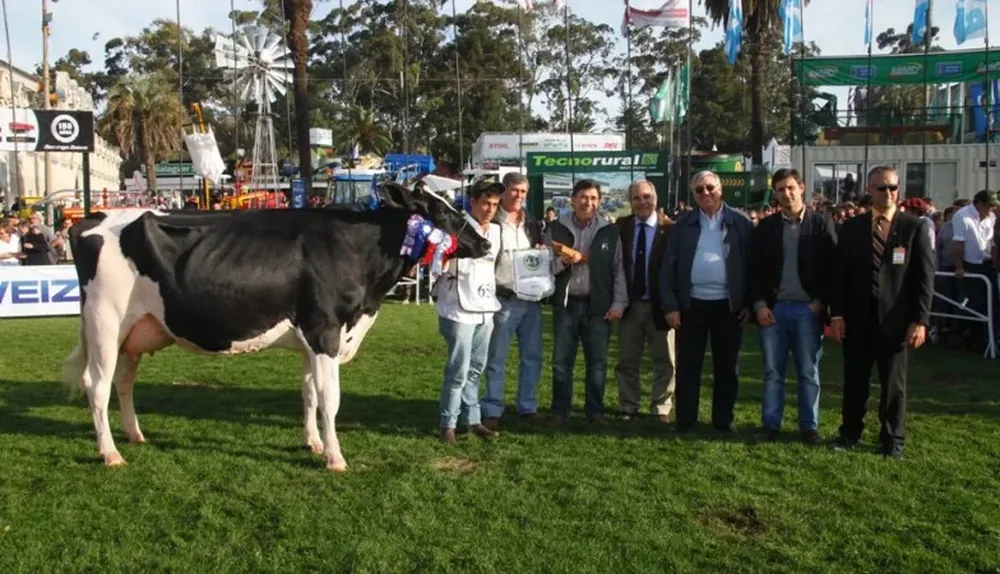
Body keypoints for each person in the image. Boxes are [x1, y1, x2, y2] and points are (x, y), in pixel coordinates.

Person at [829, 166, 934, 458]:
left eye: (892, 188)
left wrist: (920, 320)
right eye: (881, 188)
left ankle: (893, 440)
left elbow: (924, 278)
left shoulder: (914, 227)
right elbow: (840, 276)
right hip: (857, 319)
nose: (888, 193)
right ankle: (849, 433)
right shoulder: (852, 227)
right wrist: (836, 315)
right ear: (869, 190)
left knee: (893, 387)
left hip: (896, 322)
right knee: (854, 382)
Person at [749, 168, 838, 445]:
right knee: (773, 372)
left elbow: (832, 269)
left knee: (808, 372)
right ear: (774, 194)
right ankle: (770, 423)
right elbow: (753, 271)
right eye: (780, 190)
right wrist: (759, 305)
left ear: (801, 188)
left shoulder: (821, 224)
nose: (786, 194)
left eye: (790, 188)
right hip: (773, 311)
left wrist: (819, 303)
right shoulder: (765, 228)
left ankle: (808, 426)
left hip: (806, 311)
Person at [660, 170, 753, 433]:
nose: (705, 193)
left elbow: (752, 266)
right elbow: (668, 267)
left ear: (720, 189)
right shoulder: (683, 225)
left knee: (727, 367)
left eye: (710, 187)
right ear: (693, 194)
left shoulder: (741, 223)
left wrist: (748, 304)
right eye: (699, 190)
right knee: (688, 366)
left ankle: (723, 421)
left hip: (729, 305)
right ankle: (685, 421)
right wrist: (671, 306)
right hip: (692, 305)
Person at [546, 178, 627, 425]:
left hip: (598, 306)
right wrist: (563, 262)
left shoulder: (609, 230)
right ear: (572, 199)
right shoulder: (555, 227)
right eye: (583, 197)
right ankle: (560, 411)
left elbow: (618, 269)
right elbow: (543, 266)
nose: (587, 203)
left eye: (593, 198)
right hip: (567, 305)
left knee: (598, 363)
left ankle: (595, 411)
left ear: (599, 202)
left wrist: (618, 303)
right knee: (561, 362)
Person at [433, 181, 505, 444]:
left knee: (477, 367)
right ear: (472, 202)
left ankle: (472, 419)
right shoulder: (456, 227)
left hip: (486, 304)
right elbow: (438, 260)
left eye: (495, 204)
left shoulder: (496, 231)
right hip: (457, 306)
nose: (490, 209)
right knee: (458, 369)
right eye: (485, 203)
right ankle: (447, 423)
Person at [482, 173, 547, 431]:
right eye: (514, 190)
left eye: (523, 191)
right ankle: (492, 409)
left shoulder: (532, 224)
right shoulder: (494, 222)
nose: (519, 195)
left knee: (532, 357)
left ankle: (527, 407)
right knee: (496, 358)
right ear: (504, 191)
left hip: (531, 301)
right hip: (504, 299)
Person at [614, 180, 676, 423]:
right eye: (637, 198)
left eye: (647, 197)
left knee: (665, 361)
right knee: (627, 360)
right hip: (630, 305)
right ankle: (628, 405)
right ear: (630, 202)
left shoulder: (670, 229)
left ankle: (661, 407)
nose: (642, 202)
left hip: (661, 306)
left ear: (656, 199)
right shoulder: (622, 227)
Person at [953, 189, 1000, 348]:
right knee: (975, 303)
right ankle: (965, 334)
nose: (992, 209)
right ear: (979, 204)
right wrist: (959, 267)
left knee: (993, 303)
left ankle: (989, 339)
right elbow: (958, 243)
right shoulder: (962, 216)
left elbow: (991, 243)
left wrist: (995, 264)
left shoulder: (991, 217)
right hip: (970, 265)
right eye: (989, 206)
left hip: (987, 265)